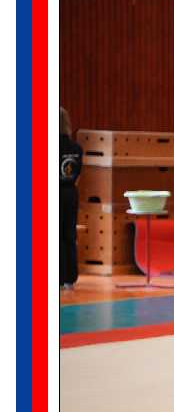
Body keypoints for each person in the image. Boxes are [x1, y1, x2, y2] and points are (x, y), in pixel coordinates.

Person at [60, 107, 82, 288]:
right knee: (69, 234)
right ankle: (70, 278)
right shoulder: (77, 148)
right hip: (71, 193)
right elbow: (78, 173)